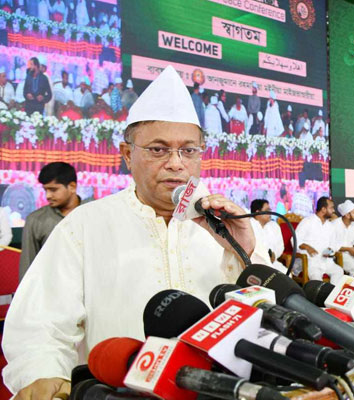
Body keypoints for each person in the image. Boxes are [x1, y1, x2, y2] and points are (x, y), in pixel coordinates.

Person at [2, 66, 270, 398]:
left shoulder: (230, 223)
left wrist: (243, 251)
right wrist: (43, 376)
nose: (175, 163)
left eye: (188, 150)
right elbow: (40, 327)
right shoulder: (84, 226)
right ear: (128, 155)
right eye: (158, 150)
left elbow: (272, 319)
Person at [18, 162, 86, 280]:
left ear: (72, 187)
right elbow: (28, 268)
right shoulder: (35, 220)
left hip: (91, 290)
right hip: (51, 291)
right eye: (45, 190)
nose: (48, 195)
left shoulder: (92, 214)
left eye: (53, 189)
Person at [295, 197, 344, 282]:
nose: (333, 211)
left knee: (339, 271)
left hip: (327, 261)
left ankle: (332, 294)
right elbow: (295, 240)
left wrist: (329, 250)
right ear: (323, 209)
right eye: (331, 208)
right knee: (316, 277)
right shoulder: (307, 221)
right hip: (311, 262)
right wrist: (307, 247)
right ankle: (321, 294)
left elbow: (334, 244)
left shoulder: (330, 226)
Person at [331, 200, 354, 276]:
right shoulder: (334, 225)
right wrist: (348, 249)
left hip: (353, 254)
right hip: (338, 256)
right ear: (347, 215)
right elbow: (330, 245)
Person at [249, 199, 286, 273]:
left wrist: (274, 255)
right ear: (258, 212)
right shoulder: (248, 225)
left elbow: (280, 246)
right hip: (254, 264)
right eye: (267, 210)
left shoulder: (274, 226)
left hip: (272, 263)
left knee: (286, 274)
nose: (270, 213)